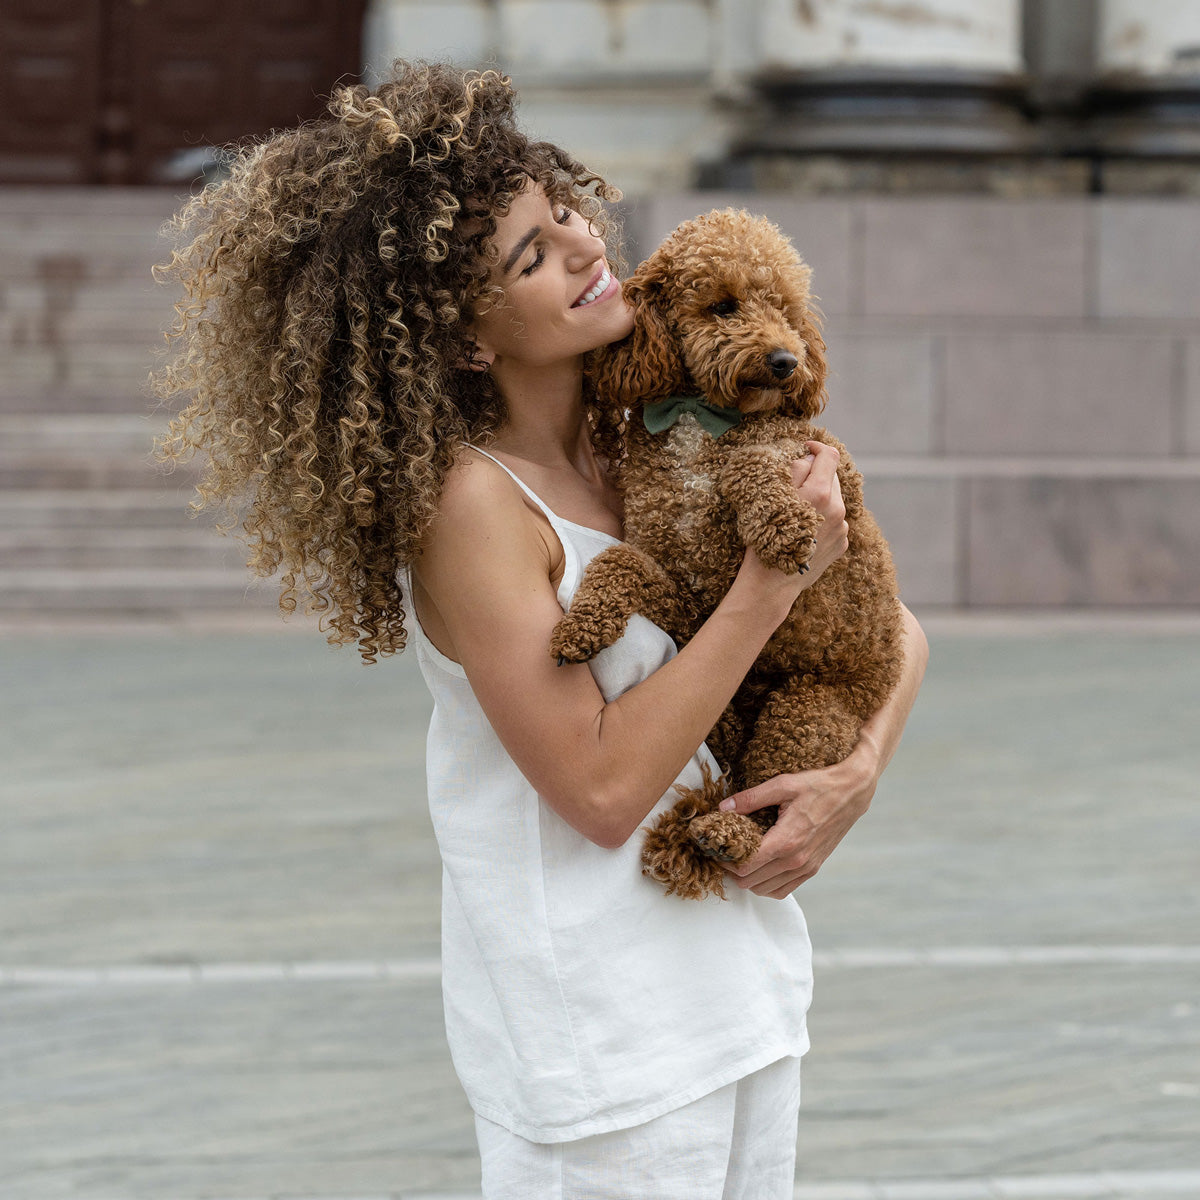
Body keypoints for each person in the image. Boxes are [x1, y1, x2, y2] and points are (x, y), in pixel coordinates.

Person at [155, 60, 927, 1200]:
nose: (581, 248)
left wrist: (856, 769)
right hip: (605, 1045)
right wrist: (766, 584)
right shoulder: (475, 507)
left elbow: (893, 624)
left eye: (566, 214)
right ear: (464, 336)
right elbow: (602, 791)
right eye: (530, 255)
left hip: (743, 992)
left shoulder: (657, 441)